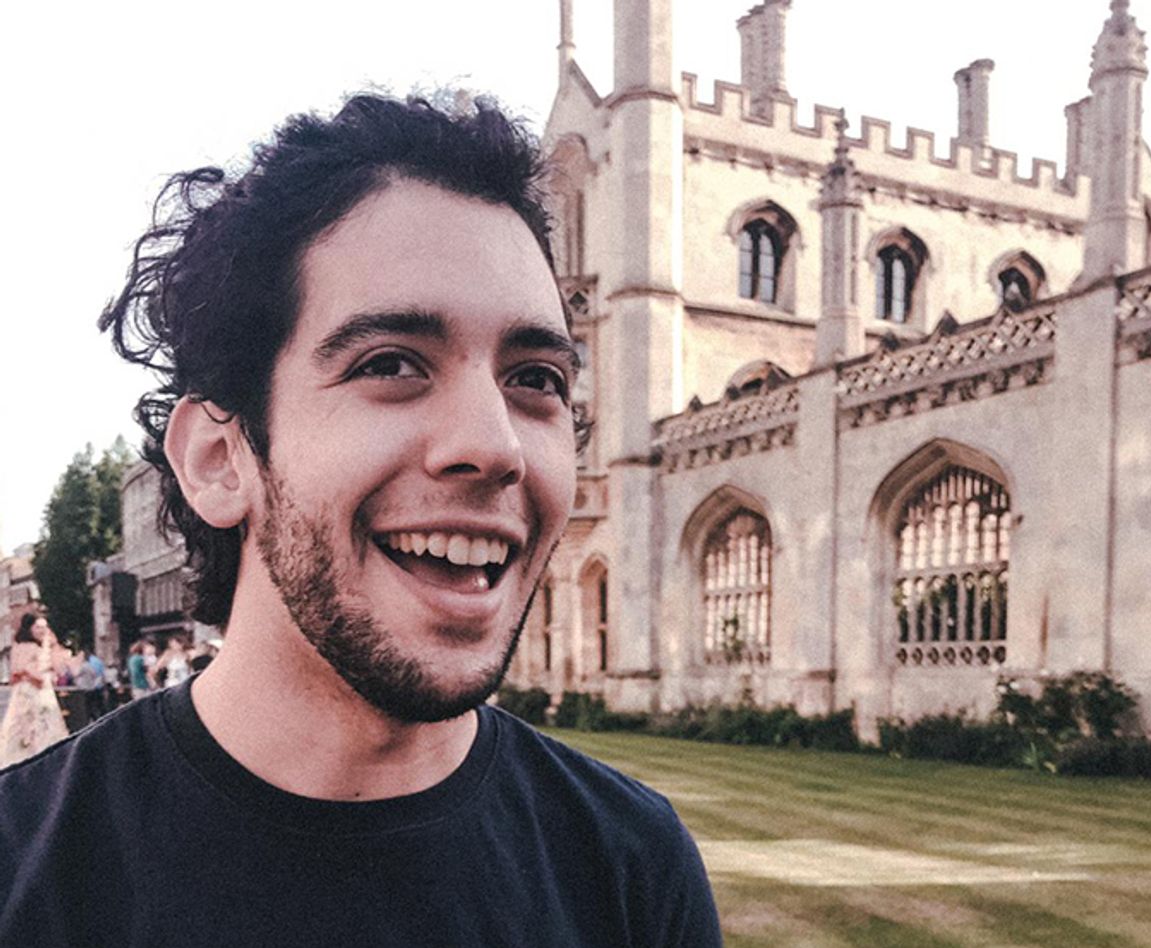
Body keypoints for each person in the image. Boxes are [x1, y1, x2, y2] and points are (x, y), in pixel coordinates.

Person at [0, 93, 721, 946]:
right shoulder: (26, 875)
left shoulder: (633, 868)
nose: (496, 447)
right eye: (391, 364)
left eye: (537, 380)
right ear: (219, 460)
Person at [0, 615, 70, 767]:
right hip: (31, 691)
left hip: (38, 691)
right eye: (38, 627)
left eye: (44, 627)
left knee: (38, 724)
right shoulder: (28, 647)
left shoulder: (35, 647)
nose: (42, 631)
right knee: (31, 724)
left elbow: (58, 669)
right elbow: (22, 669)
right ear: (29, 628)